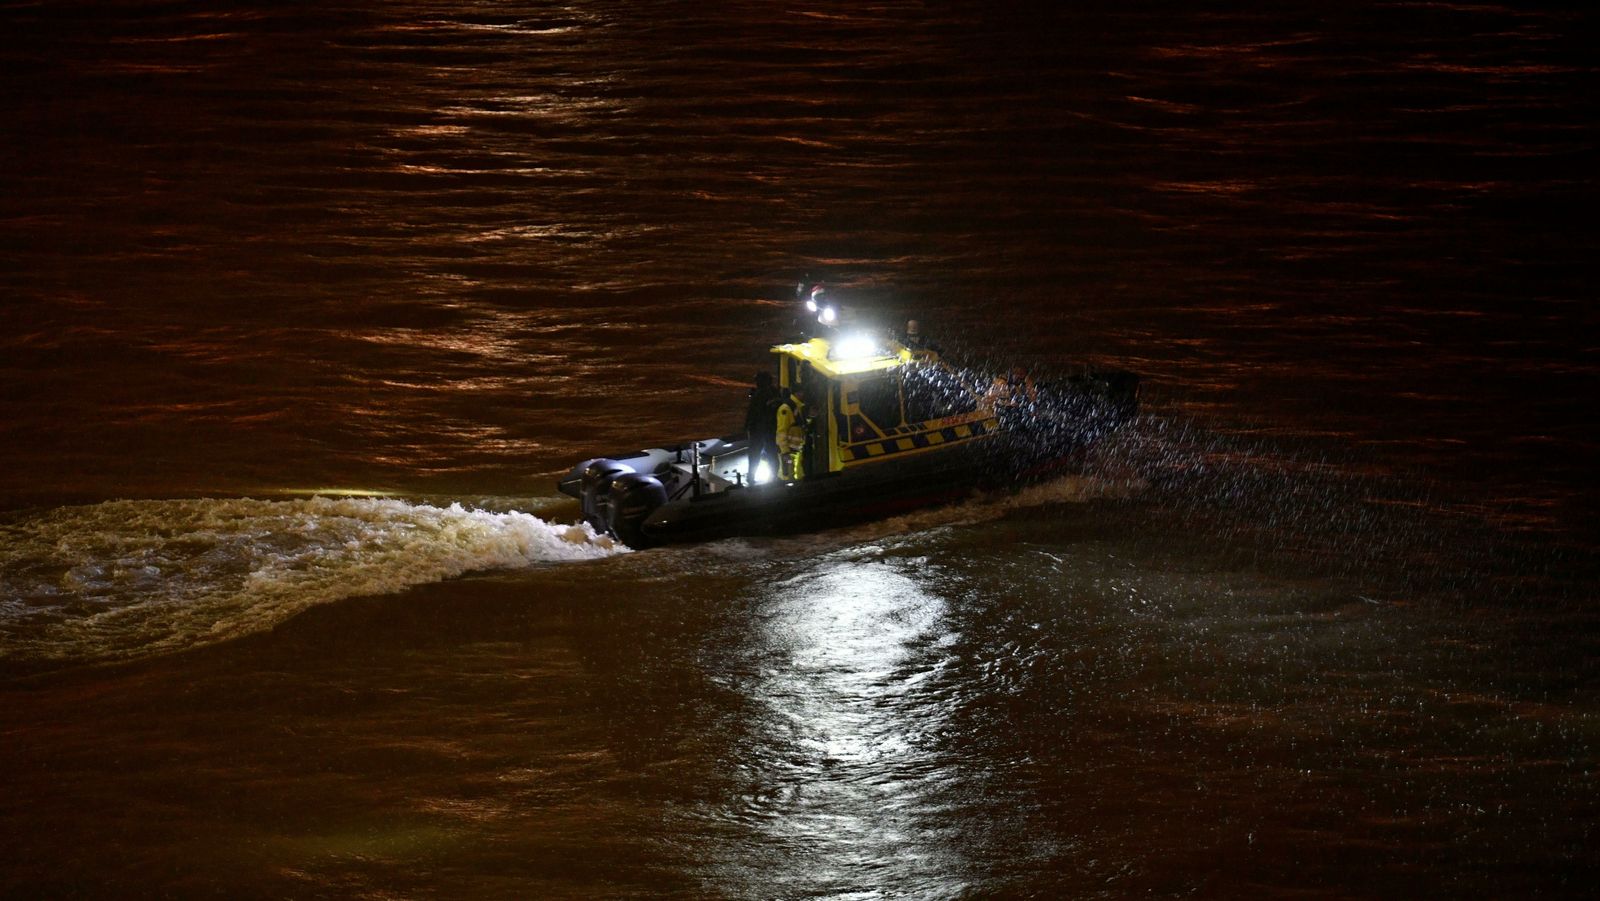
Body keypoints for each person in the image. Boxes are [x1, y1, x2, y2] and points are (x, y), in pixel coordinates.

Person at [744, 371, 781, 483]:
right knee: (771, 453)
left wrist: (747, 426)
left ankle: (751, 477)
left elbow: (753, 412)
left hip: (759, 430)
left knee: (754, 454)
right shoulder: (775, 393)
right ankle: (774, 476)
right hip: (771, 429)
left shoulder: (760, 395)